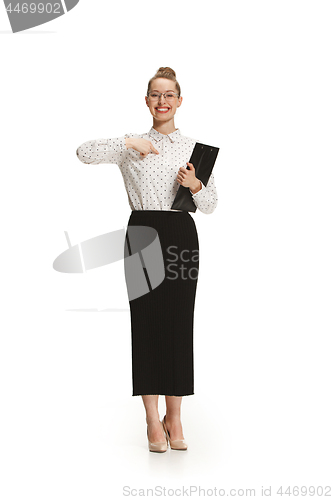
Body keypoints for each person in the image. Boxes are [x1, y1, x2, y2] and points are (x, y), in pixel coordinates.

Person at [76, 67, 218, 452]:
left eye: (169, 94)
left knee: (177, 321)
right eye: (155, 94)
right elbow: (83, 152)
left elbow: (211, 205)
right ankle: (152, 420)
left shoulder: (194, 148)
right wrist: (128, 141)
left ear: (180, 101)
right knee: (147, 320)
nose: (162, 101)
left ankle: (176, 416)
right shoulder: (132, 143)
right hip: (141, 233)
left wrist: (196, 185)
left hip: (181, 236)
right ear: (146, 100)